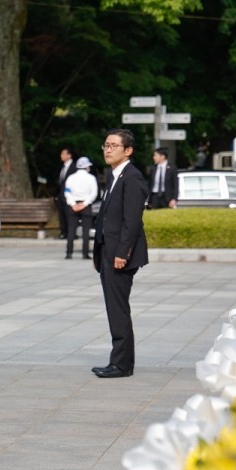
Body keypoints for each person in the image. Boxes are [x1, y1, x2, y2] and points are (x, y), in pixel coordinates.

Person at [92, 129, 149, 379]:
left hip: (120, 254)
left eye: (114, 146)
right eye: (106, 145)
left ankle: (122, 365)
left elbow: (132, 221)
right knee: (114, 307)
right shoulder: (114, 175)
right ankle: (119, 360)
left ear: (128, 151)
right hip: (108, 251)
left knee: (118, 309)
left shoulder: (132, 177)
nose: (108, 149)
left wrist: (122, 253)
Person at [63, 156, 99, 259]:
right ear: (87, 167)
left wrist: (73, 204)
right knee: (86, 231)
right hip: (86, 206)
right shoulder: (91, 178)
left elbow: (67, 192)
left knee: (71, 230)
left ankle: (69, 253)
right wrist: (84, 204)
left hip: (72, 206)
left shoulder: (71, 177)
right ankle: (85, 253)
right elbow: (94, 193)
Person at [56, 147, 77, 239]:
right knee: (61, 214)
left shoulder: (74, 167)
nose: (61, 156)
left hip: (70, 195)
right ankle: (63, 232)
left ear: (69, 155)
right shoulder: (63, 167)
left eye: (63, 154)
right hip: (61, 195)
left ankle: (71, 233)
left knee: (69, 214)